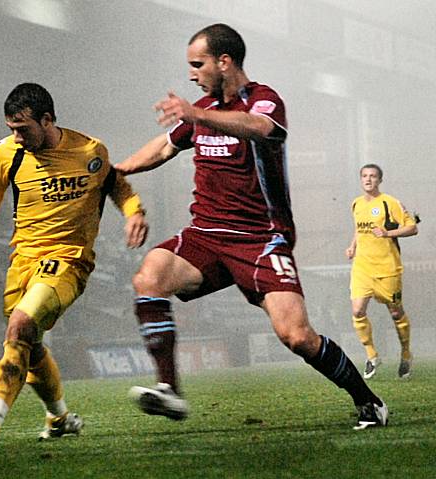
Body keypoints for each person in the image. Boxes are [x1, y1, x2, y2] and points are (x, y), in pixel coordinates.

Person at [115, 23, 388, 430]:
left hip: (261, 240)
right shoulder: (201, 109)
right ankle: (169, 389)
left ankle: (368, 401)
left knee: (297, 337)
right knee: (148, 278)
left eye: (198, 64)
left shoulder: (264, 101)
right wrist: (118, 171)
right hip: (206, 235)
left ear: (224, 62)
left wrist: (198, 113)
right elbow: (164, 146)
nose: (192, 74)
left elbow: (259, 128)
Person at [0, 83, 148, 445]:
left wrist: (134, 213)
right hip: (22, 262)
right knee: (29, 345)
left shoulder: (89, 151)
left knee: (21, 325)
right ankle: (59, 418)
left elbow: (116, 184)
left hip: (69, 260)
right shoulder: (6, 155)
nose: (17, 138)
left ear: (47, 119)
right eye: (11, 130)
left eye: (23, 129)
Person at [345, 164, 418, 379]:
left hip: (388, 268)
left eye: (373, 176)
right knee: (357, 310)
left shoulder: (390, 203)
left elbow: (412, 227)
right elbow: (359, 230)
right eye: (365, 176)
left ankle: (405, 354)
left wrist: (388, 233)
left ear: (380, 180)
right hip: (362, 267)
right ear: (361, 179)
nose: (368, 179)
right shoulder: (356, 204)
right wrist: (353, 246)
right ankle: (372, 356)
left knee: (396, 313)